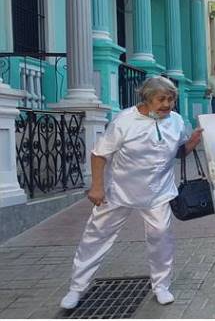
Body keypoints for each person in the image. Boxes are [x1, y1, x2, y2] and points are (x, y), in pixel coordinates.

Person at [59, 77, 203, 309]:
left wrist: (192, 143)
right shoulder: (124, 121)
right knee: (96, 235)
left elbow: (178, 153)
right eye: (162, 99)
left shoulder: (176, 121)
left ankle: (161, 286)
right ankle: (76, 288)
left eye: (171, 99)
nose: (167, 104)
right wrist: (97, 186)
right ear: (146, 99)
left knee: (161, 236)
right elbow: (99, 154)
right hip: (119, 192)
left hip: (158, 192)